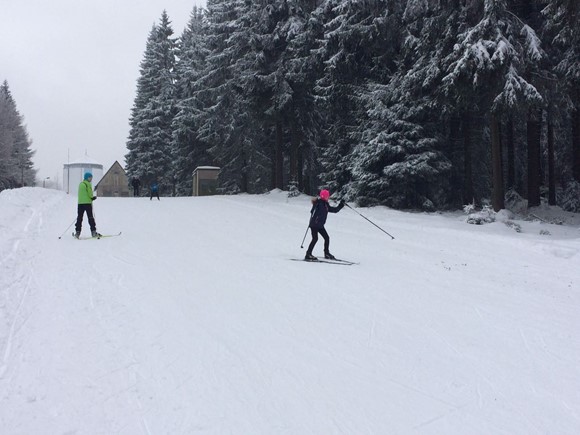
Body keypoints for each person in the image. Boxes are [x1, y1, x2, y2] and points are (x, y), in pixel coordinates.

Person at [305, 189, 345, 260]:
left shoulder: (325, 204)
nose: (328, 197)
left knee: (326, 238)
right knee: (315, 239)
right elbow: (312, 211)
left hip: (320, 225)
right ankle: (308, 254)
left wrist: (341, 205)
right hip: (314, 225)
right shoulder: (319, 203)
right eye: (327, 196)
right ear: (324, 196)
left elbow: (334, 210)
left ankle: (326, 253)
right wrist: (315, 205)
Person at [74, 172, 101, 238]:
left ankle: (77, 232)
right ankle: (93, 232)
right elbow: (89, 193)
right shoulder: (87, 184)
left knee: (79, 218)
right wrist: (93, 197)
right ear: (87, 177)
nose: (91, 179)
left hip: (80, 204)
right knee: (90, 217)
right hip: (87, 203)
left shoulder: (81, 184)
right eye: (90, 177)